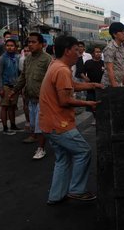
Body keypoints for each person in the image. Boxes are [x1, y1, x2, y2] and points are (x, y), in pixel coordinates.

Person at [40, 35, 103, 205]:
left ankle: (56, 196)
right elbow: (65, 100)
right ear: (67, 51)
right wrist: (88, 103)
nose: (79, 53)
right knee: (83, 151)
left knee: (63, 158)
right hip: (59, 124)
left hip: (48, 123)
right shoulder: (62, 70)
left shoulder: (56, 65)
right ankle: (76, 190)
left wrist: (93, 85)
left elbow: (70, 85)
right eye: (76, 50)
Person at [12, 32, 52, 160]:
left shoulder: (47, 59)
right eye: (29, 42)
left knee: (40, 126)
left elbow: (52, 79)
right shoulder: (27, 59)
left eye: (33, 42)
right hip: (31, 98)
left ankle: (41, 149)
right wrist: (15, 90)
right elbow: (23, 76)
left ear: (41, 44)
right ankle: (48, 141)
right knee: (35, 125)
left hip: (43, 98)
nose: (30, 44)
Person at [0, 39, 21, 135]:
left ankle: (13, 124)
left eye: (12, 45)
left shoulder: (17, 57)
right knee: (5, 107)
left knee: (12, 107)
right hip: (5, 85)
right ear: (5, 47)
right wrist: (0, 88)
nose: (9, 47)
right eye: (8, 45)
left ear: (15, 47)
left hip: (14, 86)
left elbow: (19, 72)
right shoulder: (2, 59)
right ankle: (5, 127)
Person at [82, 46, 104, 122]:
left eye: (100, 52)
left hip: (102, 87)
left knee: (101, 103)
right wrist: (85, 78)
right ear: (92, 54)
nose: (99, 53)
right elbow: (82, 73)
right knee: (92, 104)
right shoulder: (88, 63)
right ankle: (95, 118)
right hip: (91, 87)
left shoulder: (103, 63)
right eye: (97, 52)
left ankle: (100, 117)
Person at [101, 22, 124, 87]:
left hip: (119, 83)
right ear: (115, 34)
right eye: (122, 32)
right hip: (109, 85)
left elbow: (122, 64)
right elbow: (109, 69)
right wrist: (114, 86)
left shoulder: (121, 46)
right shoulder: (110, 48)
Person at [19, 45, 31, 131]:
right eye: (25, 51)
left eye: (28, 51)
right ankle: (28, 121)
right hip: (25, 85)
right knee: (26, 104)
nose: (27, 52)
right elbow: (21, 75)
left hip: (35, 86)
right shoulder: (22, 60)